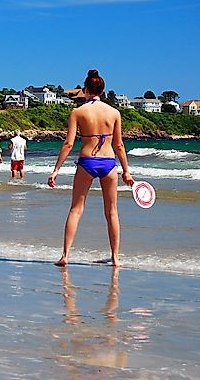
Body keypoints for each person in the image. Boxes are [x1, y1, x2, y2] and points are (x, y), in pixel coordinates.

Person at [49, 69, 133, 267]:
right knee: (112, 212)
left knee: (76, 210)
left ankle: (65, 256)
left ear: (86, 89)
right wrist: (126, 170)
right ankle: (115, 258)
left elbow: (68, 144)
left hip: (87, 162)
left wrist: (56, 170)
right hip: (108, 163)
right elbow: (119, 145)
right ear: (102, 91)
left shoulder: (78, 112)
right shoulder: (114, 113)